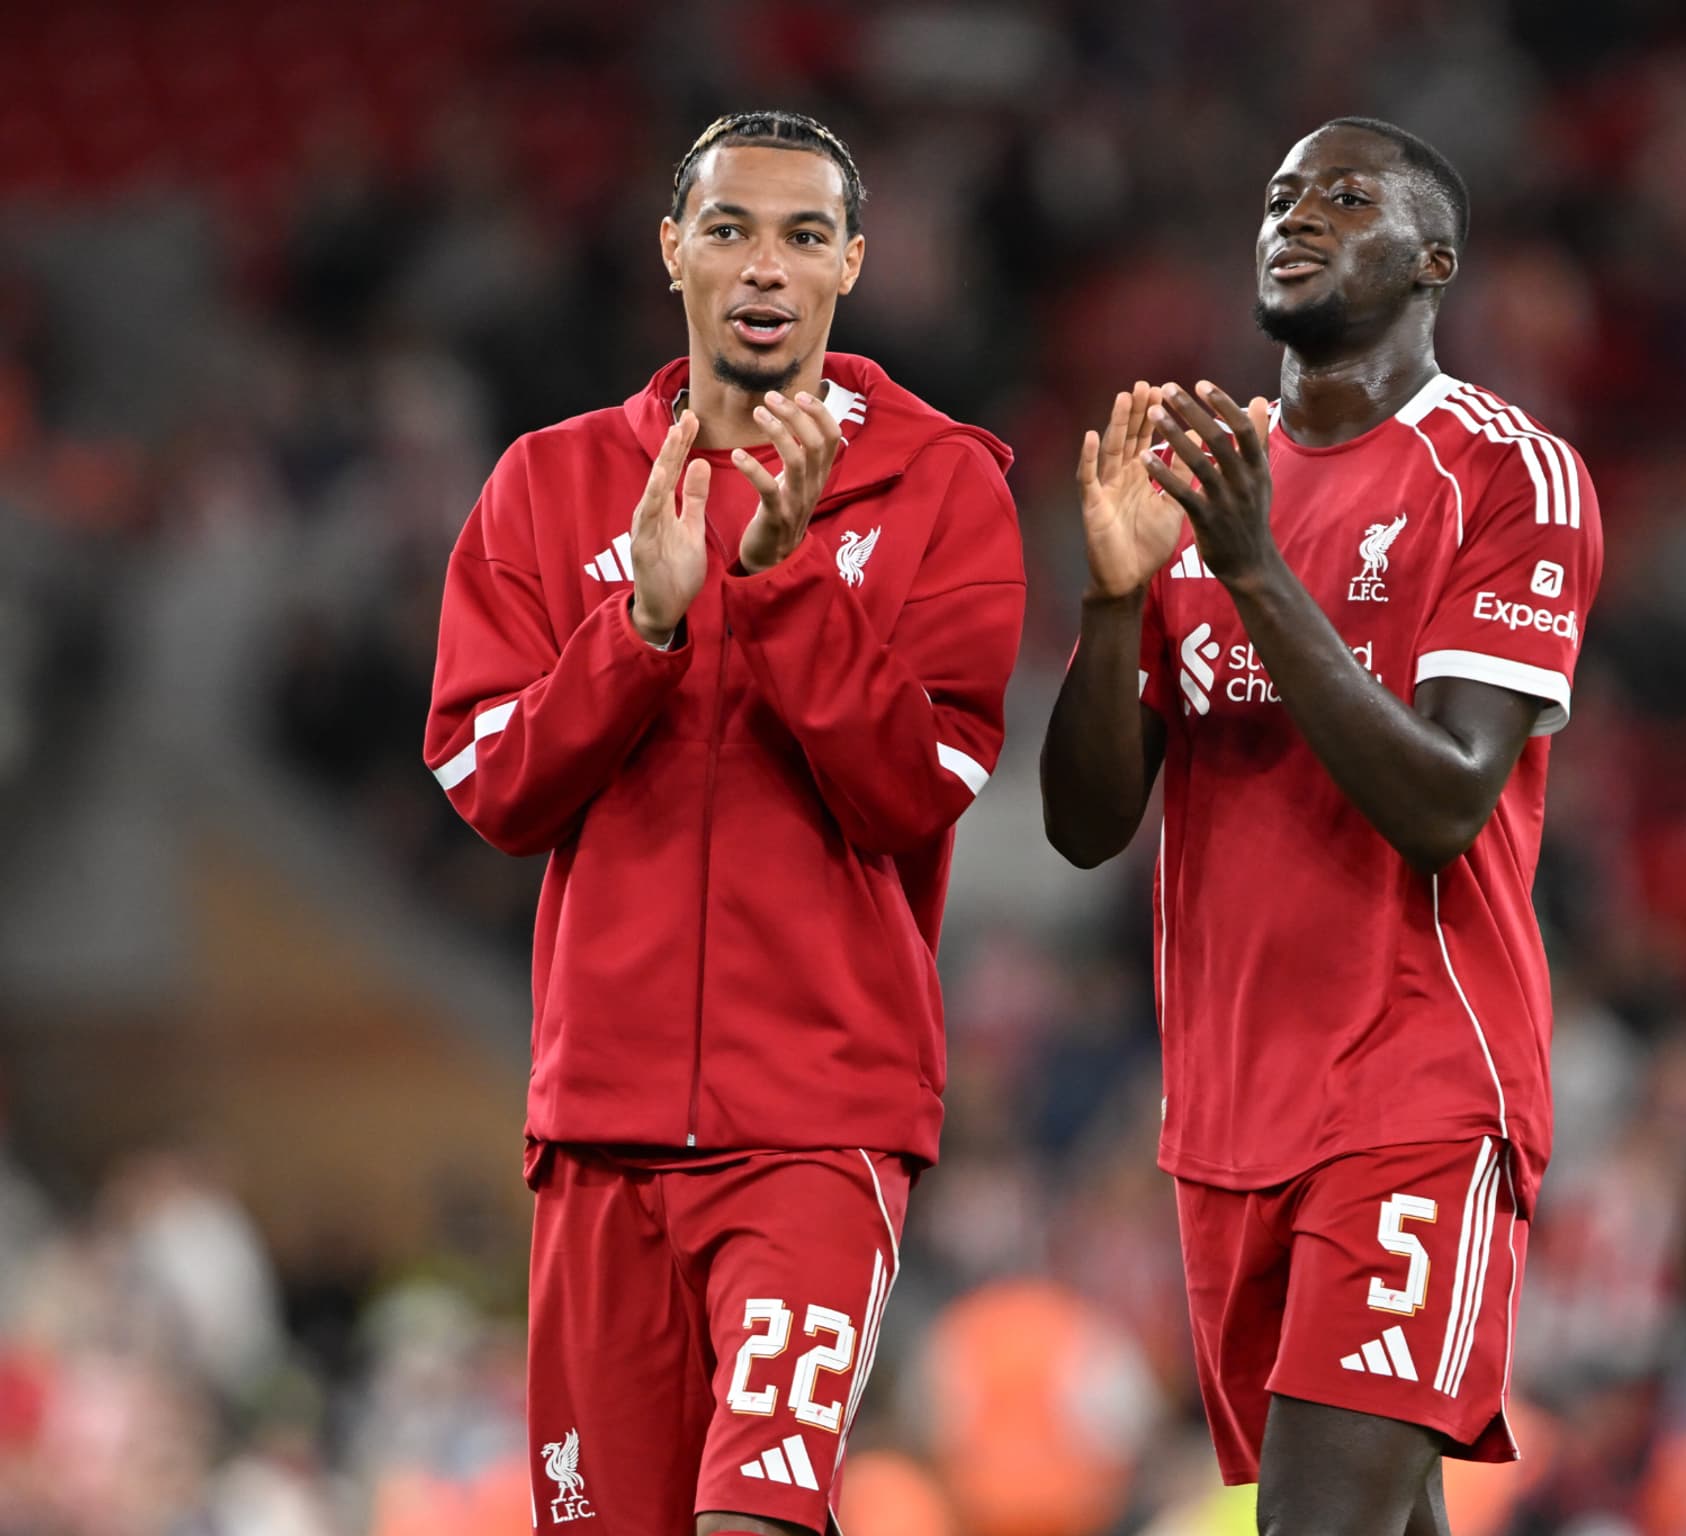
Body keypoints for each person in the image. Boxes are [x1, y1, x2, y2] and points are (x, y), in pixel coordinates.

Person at [424, 110, 1025, 1536]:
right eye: (731, 230)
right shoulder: (548, 482)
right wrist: (638, 630)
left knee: (756, 1516)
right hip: (599, 1133)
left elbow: (919, 787)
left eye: (805, 236)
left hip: (818, 1129)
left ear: (852, 264)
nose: (766, 266)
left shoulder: (943, 486)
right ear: (671, 250)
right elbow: (489, 785)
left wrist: (783, 581)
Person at [1041, 116, 1603, 1535]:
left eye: (1346, 199)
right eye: (1282, 195)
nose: (1296, 217)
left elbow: (1448, 800)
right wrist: (1113, 602)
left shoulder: (1504, 473)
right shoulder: (1207, 479)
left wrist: (1253, 571)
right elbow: (1087, 825)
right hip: (1228, 1112)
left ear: (1435, 260)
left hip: (1418, 1087)